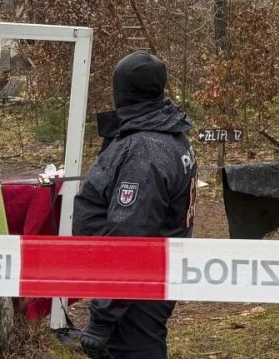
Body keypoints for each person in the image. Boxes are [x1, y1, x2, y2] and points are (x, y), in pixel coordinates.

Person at [73, 53, 198, 359]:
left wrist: (102, 318)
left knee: (136, 351)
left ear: (123, 92)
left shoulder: (144, 151)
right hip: (145, 280)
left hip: (136, 286)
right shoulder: (168, 130)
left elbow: (129, 237)